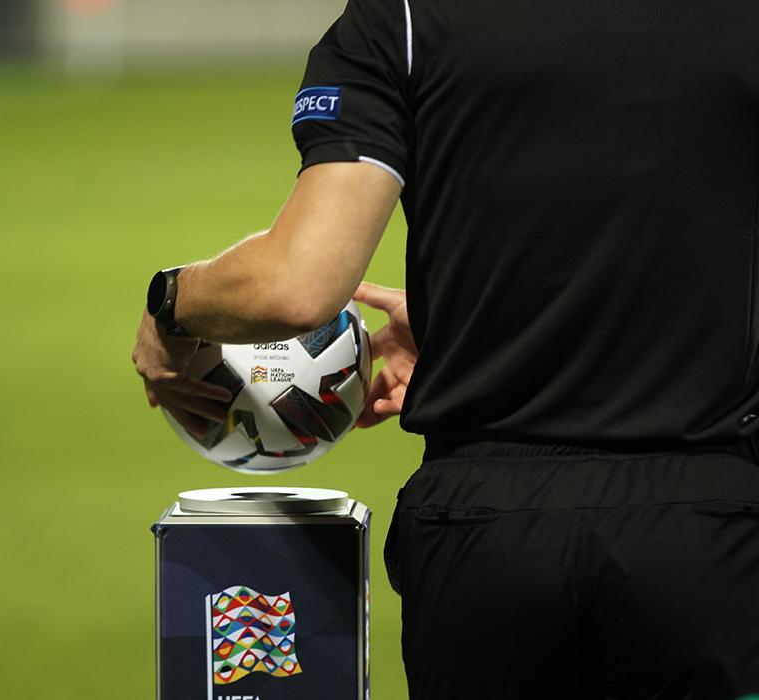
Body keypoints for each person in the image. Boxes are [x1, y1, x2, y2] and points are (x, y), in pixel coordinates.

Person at [133, 0, 759, 696]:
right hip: (710, 532)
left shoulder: (403, 16)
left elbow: (296, 288)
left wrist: (171, 303)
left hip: (485, 539)